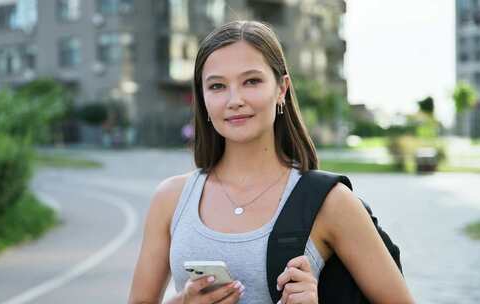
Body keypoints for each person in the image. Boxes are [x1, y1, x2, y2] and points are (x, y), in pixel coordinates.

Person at [128, 21, 414, 304]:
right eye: (217, 86)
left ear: (281, 89)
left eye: (251, 81)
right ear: (202, 98)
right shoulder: (171, 199)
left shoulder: (331, 203)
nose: (234, 99)